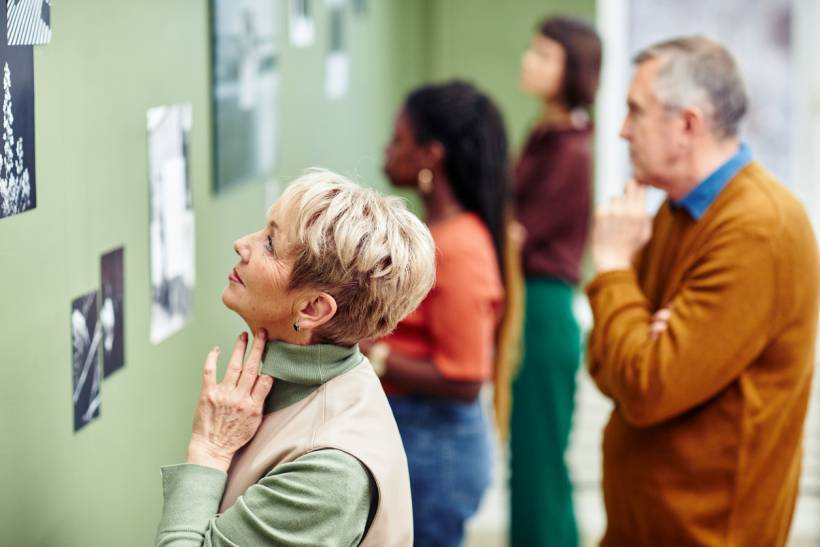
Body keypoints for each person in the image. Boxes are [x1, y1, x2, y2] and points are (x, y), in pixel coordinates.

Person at [588, 36, 819, 546]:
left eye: (635, 111)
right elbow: (605, 365)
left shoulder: (761, 228)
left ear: (687, 125)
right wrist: (640, 338)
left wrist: (613, 269)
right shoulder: (675, 213)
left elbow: (645, 390)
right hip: (641, 528)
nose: (622, 130)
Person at [154, 169, 436, 547]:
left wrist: (210, 448)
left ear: (313, 308)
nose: (242, 244)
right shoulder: (331, 379)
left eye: (270, 245)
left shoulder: (330, 475)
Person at [362, 81, 508, 546]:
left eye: (399, 140)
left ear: (431, 155)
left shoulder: (460, 247)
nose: (387, 150)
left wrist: (372, 352)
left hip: (435, 447)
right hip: (416, 434)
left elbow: (465, 380)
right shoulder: (435, 233)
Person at [509, 15, 601, 547]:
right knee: (530, 464)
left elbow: (518, 235)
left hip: (545, 309)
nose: (529, 61)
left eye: (545, 55)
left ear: (573, 71)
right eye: (533, 50)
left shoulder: (571, 149)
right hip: (533, 305)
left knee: (541, 466)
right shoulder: (546, 135)